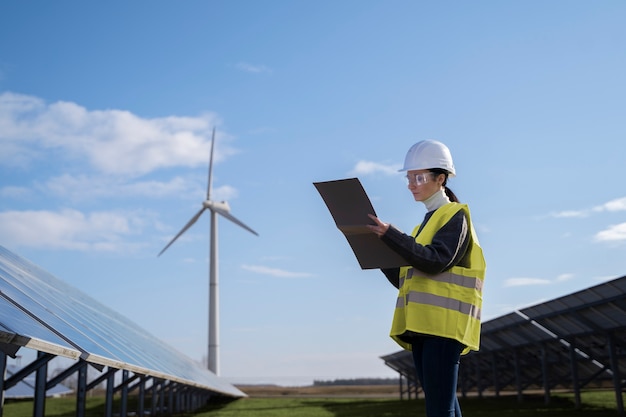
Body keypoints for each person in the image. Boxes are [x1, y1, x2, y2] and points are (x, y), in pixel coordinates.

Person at [367, 140, 486, 417]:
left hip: (443, 328)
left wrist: (391, 236)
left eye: (418, 177)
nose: (411, 184)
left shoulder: (455, 216)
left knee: (439, 409)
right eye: (409, 178)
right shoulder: (422, 227)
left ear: (440, 178)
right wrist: (377, 252)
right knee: (444, 406)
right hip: (423, 327)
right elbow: (405, 278)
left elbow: (435, 261)